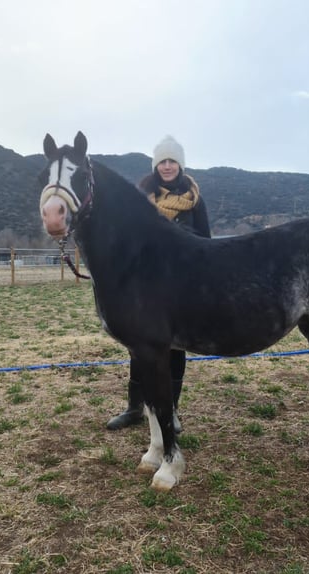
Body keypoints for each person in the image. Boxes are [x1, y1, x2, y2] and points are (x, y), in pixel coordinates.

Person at [106, 135, 211, 431]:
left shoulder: (194, 200)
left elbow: (206, 243)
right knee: (140, 350)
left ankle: (171, 411)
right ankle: (134, 408)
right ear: (155, 165)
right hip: (144, 287)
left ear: (180, 165)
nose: (167, 166)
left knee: (176, 350)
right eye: (162, 161)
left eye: (172, 161)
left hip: (181, 286)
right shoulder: (139, 199)